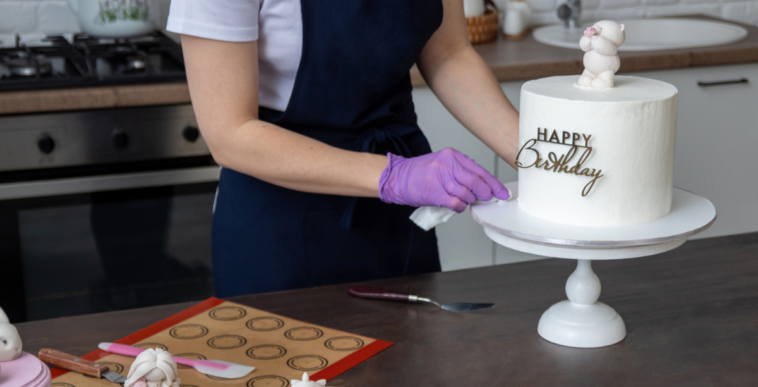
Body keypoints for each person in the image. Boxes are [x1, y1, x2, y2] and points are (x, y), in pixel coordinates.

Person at [166, 0, 520, 298]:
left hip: (396, 217)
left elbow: (448, 53)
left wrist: (540, 156)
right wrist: (395, 175)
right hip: (279, 226)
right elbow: (229, 133)